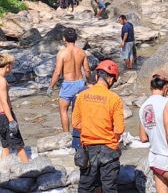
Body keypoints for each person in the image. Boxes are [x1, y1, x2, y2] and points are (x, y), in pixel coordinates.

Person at [72, 60, 125, 193]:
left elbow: (76, 123)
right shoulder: (114, 98)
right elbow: (119, 129)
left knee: (85, 187)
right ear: (111, 79)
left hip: (88, 150)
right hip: (109, 149)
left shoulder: (82, 96)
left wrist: (91, 130)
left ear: (97, 76)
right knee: (109, 188)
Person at [48, 27, 90, 134]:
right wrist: (90, 83)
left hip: (68, 84)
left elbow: (57, 73)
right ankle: (81, 134)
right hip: (80, 84)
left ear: (64, 39)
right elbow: (87, 70)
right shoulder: (82, 52)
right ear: (76, 38)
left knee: (63, 111)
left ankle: (66, 135)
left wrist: (50, 87)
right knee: (79, 112)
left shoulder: (62, 53)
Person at [0, 53, 30, 162]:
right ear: (7, 65)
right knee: (19, 145)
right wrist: (11, 120)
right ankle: (29, 168)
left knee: (6, 146)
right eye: (12, 65)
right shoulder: (1, 81)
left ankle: (1, 170)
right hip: (6, 117)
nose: (12, 68)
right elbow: (4, 102)